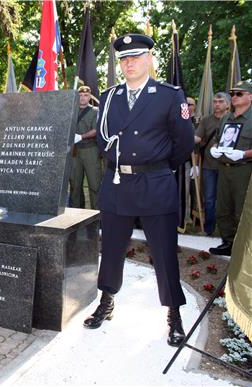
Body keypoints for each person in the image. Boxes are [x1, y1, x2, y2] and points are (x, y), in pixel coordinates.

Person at [85, 33, 194, 347]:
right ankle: (106, 303)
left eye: (135, 57)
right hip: (117, 184)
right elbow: (104, 138)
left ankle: (174, 315)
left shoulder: (169, 95)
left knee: (163, 254)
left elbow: (183, 142)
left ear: (149, 59)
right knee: (112, 250)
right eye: (124, 59)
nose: (129, 63)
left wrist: (157, 167)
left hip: (155, 185)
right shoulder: (109, 96)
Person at [208, 81, 252, 256]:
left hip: (244, 169)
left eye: (239, 94)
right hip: (224, 168)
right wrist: (214, 148)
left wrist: (244, 154)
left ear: (250, 96)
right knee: (223, 208)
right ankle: (228, 242)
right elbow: (218, 138)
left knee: (241, 209)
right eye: (233, 93)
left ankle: (242, 247)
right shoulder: (227, 117)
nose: (234, 97)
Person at [194, 92, 230, 235]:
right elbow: (197, 138)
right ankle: (209, 230)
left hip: (227, 166)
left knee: (225, 200)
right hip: (209, 166)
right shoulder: (206, 120)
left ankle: (226, 231)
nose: (217, 104)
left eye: (220, 101)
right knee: (209, 199)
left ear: (227, 104)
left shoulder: (232, 119)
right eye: (215, 101)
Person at [69, 85, 101, 209]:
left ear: (90, 96)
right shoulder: (71, 111)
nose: (82, 98)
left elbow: (96, 130)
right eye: (80, 95)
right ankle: (77, 215)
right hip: (74, 151)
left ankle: (96, 216)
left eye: (86, 95)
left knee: (94, 184)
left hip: (90, 151)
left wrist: (81, 136)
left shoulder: (96, 111)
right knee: (75, 185)